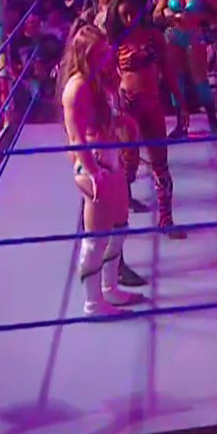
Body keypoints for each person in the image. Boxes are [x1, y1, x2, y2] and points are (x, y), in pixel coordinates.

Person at [59, 24, 146, 315]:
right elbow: (76, 138)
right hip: (93, 162)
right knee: (96, 236)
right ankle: (93, 302)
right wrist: (94, 173)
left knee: (120, 225)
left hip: (111, 157)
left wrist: (123, 121)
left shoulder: (101, 79)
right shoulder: (77, 88)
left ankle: (110, 288)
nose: (105, 56)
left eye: (105, 51)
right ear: (84, 56)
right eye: (98, 53)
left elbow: (105, 116)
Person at [106, 0, 176, 245]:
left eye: (132, 13)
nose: (129, 18)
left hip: (152, 104)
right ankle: (118, 224)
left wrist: (180, 104)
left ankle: (166, 220)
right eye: (123, 15)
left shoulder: (153, 38)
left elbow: (168, 71)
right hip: (128, 107)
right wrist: (114, 106)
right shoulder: (115, 43)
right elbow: (107, 79)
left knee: (161, 163)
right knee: (128, 164)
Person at [153, 0, 217, 138]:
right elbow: (155, 16)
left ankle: (213, 121)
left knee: (200, 79)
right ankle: (181, 124)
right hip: (173, 36)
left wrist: (202, 18)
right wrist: (166, 14)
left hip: (194, 36)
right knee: (176, 80)